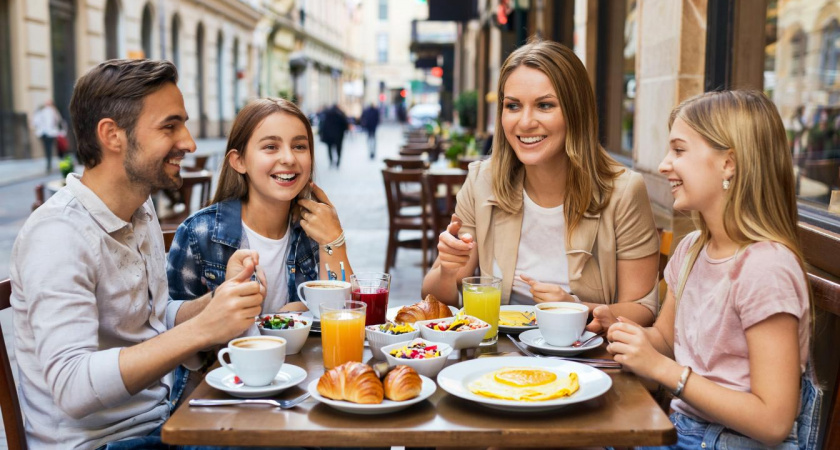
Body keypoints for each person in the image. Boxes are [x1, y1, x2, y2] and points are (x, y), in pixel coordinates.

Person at [9, 59, 267, 449]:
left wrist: (217, 300)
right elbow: (73, 386)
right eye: (170, 125)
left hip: (161, 419)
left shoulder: (138, 208)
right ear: (113, 135)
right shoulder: (57, 235)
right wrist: (203, 329)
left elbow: (146, 321)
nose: (189, 142)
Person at [600, 90, 817, 449]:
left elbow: (774, 420)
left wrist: (664, 370)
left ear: (728, 164)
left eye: (679, 150)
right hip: (682, 430)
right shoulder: (692, 249)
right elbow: (667, 342)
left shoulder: (766, 269)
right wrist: (620, 330)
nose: (664, 164)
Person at [421, 39, 660, 329]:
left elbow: (643, 309)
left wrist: (576, 309)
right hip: (495, 353)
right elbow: (435, 300)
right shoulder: (482, 181)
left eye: (544, 105)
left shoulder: (623, 191)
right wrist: (447, 269)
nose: (525, 122)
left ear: (575, 112)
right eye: (513, 106)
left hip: (582, 361)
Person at [166, 97, 353, 405]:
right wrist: (260, 319)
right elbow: (173, 341)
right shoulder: (199, 234)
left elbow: (347, 316)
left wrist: (335, 242)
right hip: (214, 405)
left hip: (296, 395)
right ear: (239, 161)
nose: (289, 159)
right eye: (270, 147)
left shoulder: (311, 231)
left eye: (299, 146)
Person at [31, 99, 64, 173]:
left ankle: (50, 164)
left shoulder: (52, 111)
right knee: (48, 149)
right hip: (46, 133)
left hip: (49, 133)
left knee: (49, 149)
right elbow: (36, 122)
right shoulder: (43, 111)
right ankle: (49, 164)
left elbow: (58, 120)